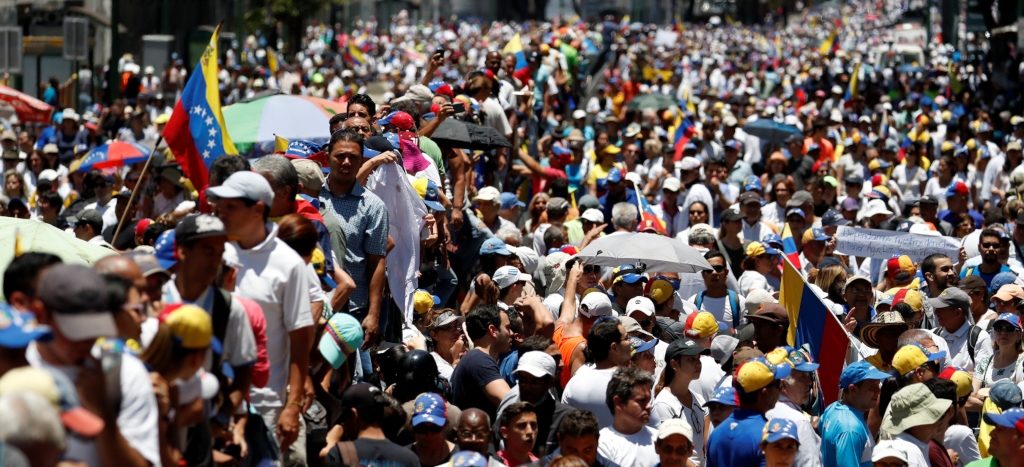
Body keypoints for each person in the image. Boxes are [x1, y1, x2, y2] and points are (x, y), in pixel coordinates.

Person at [208, 170, 314, 461]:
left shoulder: (288, 264)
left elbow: (299, 339)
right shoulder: (216, 252)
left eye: (230, 206)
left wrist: (291, 406)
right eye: (220, 205)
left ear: (257, 210)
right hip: (214, 399)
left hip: (264, 403)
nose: (220, 212)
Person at [26, 264, 160, 467]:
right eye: (76, 331)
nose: (87, 341)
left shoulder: (124, 373)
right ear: (41, 313)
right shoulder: (15, 366)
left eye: (95, 329)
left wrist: (102, 410)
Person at [320, 129, 389, 345]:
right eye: (340, 156)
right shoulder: (312, 195)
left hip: (352, 310)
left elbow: (377, 262)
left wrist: (373, 314)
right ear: (327, 157)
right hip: (311, 305)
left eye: (353, 157)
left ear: (362, 161)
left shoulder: (373, 206)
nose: (347, 162)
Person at [706, 356, 790, 466]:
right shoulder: (767, 435)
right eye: (778, 385)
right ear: (764, 393)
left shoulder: (716, 434)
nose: (780, 389)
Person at [324, 383, 419, 466]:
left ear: (354, 414)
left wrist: (331, 443)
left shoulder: (340, 454)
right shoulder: (409, 459)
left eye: (344, 416)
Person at [562, 317, 631, 428]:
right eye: (627, 338)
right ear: (614, 348)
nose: (630, 342)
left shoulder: (574, 384)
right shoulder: (632, 384)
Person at [820, 361, 891, 467]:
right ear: (853, 389)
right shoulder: (851, 429)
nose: (878, 391)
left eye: (878, 385)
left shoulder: (832, 408)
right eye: (872, 387)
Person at [651, 338, 708, 465]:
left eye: (698, 358)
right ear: (674, 364)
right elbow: (670, 451)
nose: (698, 363)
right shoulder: (664, 404)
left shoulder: (699, 399)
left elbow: (705, 445)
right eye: (691, 359)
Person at [450, 304, 512, 419]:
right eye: (508, 328)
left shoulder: (476, 359)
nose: (512, 333)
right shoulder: (480, 361)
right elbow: (512, 404)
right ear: (493, 330)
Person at [766, 347, 823, 467]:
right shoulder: (799, 422)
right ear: (783, 383)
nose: (809, 382)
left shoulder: (764, 409)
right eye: (802, 377)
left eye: (808, 376)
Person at [597, 367, 659, 467]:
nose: (649, 406)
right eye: (641, 401)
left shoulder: (660, 438)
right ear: (618, 402)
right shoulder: (602, 444)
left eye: (649, 400)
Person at [878, 383, 952, 467]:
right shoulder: (910, 455)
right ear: (917, 423)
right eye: (933, 415)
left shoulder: (914, 447)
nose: (938, 420)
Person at [930, 287, 990, 372]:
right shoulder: (932, 336)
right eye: (936, 309)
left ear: (958, 312)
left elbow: (982, 374)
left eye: (941, 309)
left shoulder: (979, 338)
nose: (936, 313)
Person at [408, 392, 457, 466]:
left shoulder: (460, 459)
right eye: (422, 428)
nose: (429, 435)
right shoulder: (402, 459)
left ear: (445, 425)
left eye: (435, 428)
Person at [497, 401, 539, 465]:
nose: (530, 431)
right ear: (504, 432)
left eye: (533, 425)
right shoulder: (494, 463)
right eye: (522, 425)